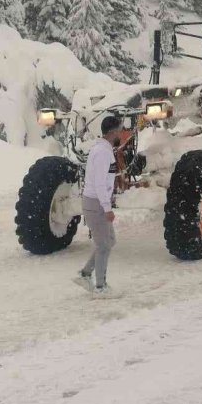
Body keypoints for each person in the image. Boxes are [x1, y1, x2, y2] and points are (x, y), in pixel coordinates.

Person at [76, 116, 126, 295]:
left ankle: (85, 274)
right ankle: (100, 287)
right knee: (104, 245)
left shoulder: (103, 149)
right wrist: (107, 208)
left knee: (109, 241)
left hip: (96, 202)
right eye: (119, 129)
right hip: (96, 203)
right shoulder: (103, 152)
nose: (121, 133)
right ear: (113, 132)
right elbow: (99, 183)